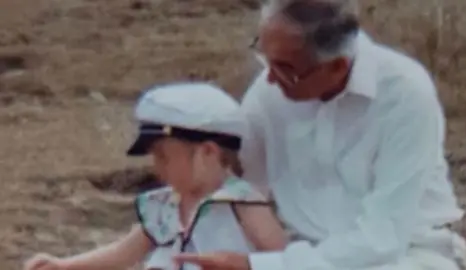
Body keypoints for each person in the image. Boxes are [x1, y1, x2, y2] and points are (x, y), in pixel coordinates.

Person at [174, 1, 466, 270]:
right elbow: (241, 187)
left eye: (285, 68)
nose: (270, 78)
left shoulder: (403, 93)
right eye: (264, 57)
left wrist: (262, 265)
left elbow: (385, 234)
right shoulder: (268, 93)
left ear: (337, 66)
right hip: (300, 251)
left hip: (407, 254)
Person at [23, 83, 287, 270]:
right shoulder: (164, 207)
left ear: (208, 152)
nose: (157, 167)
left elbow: (283, 259)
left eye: (164, 157)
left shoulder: (241, 203)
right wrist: (65, 265)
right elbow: (123, 253)